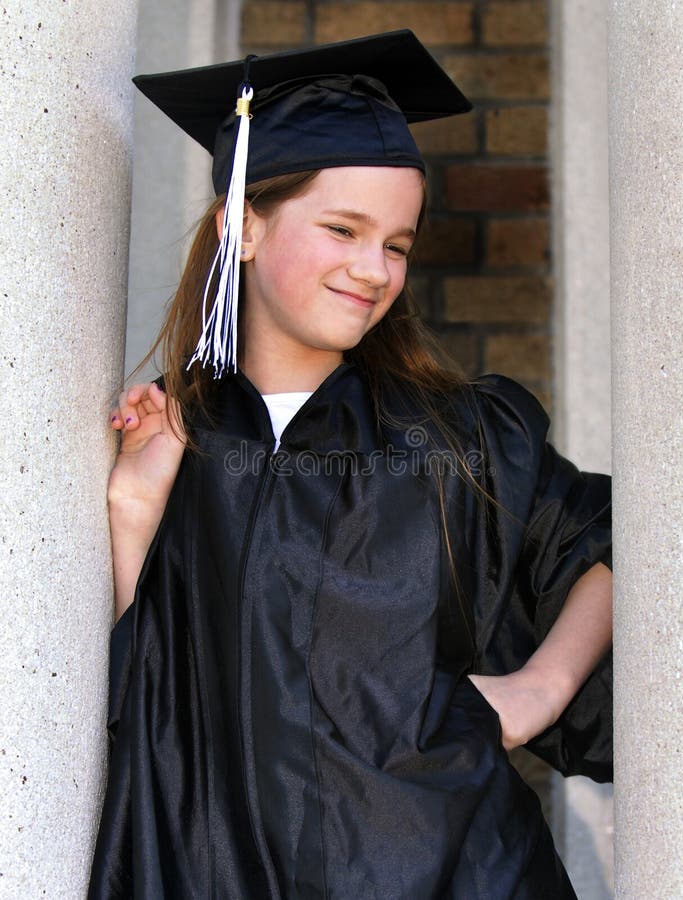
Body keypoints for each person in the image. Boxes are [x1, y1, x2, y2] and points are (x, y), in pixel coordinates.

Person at [89, 30, 612, 900]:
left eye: (398, 245)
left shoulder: (451, 438)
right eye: (343, 229)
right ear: (241, 226)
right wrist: (138, 510)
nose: (373, 270)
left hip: (456, 871)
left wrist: (539, 688)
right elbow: (156, 714)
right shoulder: (182, 445)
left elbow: (611, 541)